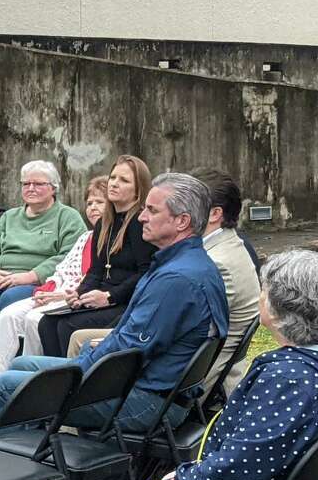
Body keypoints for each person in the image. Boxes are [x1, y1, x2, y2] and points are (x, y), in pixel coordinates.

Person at [0, 173, 228, 480]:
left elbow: (127, 349)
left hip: (146, 399)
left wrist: (76, 369)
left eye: (151, 210)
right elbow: (131, 341)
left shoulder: (176, 279)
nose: (141, 217)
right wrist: (86, 356)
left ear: (182, 221)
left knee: (8, 385)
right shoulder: (188, 264)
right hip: (154, 388)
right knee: (22, 364)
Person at [121, 249, 318, 480]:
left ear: (276, 306)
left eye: (264, 291)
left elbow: (246, 462)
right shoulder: (299, 368)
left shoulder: (288, 377)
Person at [66, 169, 260, 399]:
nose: (142, 217)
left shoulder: (211, 262)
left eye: (153, 209)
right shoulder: (214, 250)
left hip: (184, 381)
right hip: (176, 366)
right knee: (78, 340)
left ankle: (64, 411)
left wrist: (111, 341)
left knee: (79, 345)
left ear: (214, 213)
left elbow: (167, 334)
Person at [0, 176, 107, 416]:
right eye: (26, 183)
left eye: (38, 184)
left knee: (12, 304)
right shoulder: (10, 217)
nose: (31, 188)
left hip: (36, 280)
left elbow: (64, 261)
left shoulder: (67, 218)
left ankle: (20, 386)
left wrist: (32, 278)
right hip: (9, 278)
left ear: (53, 188)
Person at [36, 155, 156, 356]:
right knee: (46, 323)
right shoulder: (104, 223)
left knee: (69, 326)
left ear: (138, 190)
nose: (115, 184)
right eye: (113, 177)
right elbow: (96, 270)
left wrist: (109, 297)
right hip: (100, 297)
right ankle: (56, 380)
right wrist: (80, 293)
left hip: (126, 302)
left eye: (124, 180)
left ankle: (76, 381)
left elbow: (147, 272)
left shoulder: (139, 223)